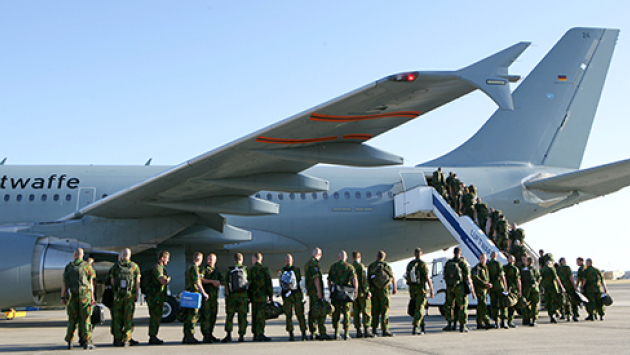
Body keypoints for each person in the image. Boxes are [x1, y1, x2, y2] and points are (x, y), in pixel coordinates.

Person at [61, 247, 96, 350]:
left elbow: (64, 283)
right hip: (84, 296)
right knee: (85, 319)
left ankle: (70, 341)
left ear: (74, 255)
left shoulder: (68, 267)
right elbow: (90, 283)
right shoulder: (87, 266)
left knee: (72, 319)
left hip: (72, 296)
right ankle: (86, 341)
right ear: (82, 255)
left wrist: (62, 297)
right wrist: (92, 297)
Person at [108, 248, 141, 347]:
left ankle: (117, 339)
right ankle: (127, 339)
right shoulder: (134, 266)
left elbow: (112, 281)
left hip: (117, 296)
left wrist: (116, 291)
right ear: (130, 255)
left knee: (117, 317)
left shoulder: (116, 266)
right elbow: (138, 282)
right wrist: (136, 294)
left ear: (122, 256)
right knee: (128, 317)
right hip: (129, 295)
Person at [442, 247, 474, 333]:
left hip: (450, 287)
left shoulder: (449, 262)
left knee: (450, 306)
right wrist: (470, 286)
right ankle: (462, 326)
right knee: (462, 306)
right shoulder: (462, 263)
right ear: (460, 253)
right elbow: (467, 276)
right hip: (460, 288)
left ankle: (449, 324)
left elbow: (445, 275)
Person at [327, 250, 358, 340]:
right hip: (346, 294)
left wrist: (330, 291)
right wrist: (355, 291)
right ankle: (346, 333)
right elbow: (354, 280)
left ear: (339, 257)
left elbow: (329, 280)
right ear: (346, 257)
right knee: (346, 313)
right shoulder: (350, 267)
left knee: (335, 313)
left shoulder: (333, 267)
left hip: (336, 293)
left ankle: (336, 333)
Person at [368, 250, 397, 336]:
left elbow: (368, 279)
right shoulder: (386, 265)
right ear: (383, 257)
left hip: (374, 292)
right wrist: (394, 288)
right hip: (384, 292)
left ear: (377, 256)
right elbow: (392, 277)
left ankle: (374, 329)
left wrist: (369, 290)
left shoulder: (371, 266)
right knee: (384, 311)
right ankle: (385, 330)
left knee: (375, 311)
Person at [406, 248, 434, 334]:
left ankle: (422, 327)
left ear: (414, 254)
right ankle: (416, 327)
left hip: (412, 290)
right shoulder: (422, 264)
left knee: (418, 308)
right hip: (420, 290)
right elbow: (427, 277)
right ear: (421, 254)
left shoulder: (410, 264)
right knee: (419, 309)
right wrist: (431, 289)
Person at [305, 248, 331, 340]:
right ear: (319, 254)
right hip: (316, 292)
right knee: (320, 311)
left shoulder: (307, 264)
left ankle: (313, 332)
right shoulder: (314, 264)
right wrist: (319, 292)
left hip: (311, 292)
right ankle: (322, 332)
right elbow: (316, 278)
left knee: (312, 312)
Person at [280, 253, 307, 341]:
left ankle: (291, 334)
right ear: (292, 261)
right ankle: (303, 333)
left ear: (284, 261)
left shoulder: (282, 271)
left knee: (288, 316)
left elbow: (281, 283)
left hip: (287, 296)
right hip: (296, 295)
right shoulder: (296, 270)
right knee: (300, 315)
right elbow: (298, 281)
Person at [182, 252, 208, 344]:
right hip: (194, 295)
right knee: (193, 316)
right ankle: (190, 336)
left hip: (188, 294)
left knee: (188, 316)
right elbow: (197, 282)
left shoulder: (189, 268)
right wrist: (204, 293)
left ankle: (186, 336)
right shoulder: (195, 268)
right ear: (199, 259)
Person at [146, 250, 171, 345]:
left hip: (157, 297)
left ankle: (153, 335)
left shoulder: (160, 268)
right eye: (167, 259)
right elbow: (162, 281)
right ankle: (152, 337)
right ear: (162, 258)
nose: (167, 261)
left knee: (156, 317)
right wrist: (168, 279)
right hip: (155, 297)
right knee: (155, 317)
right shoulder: (158, 268)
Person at [223, 253, 248, 343]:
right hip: (243, 296)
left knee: (230, 316)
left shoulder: (230, 270)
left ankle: (228, 335)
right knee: (242, 316)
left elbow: (226, 284)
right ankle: (241, 336)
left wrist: (226, 295)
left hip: (232, 297)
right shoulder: (245, 270)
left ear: (234, 260)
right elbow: (248, 283)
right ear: (241, 259)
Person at [249, 252, 273, 342]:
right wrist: (270, 295)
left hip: (254, 296)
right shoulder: (265, 269)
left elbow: (249, 284)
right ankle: (260, 333)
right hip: (262, 296)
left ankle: (255, 333)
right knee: (261, 316)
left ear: (255, 259)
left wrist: (249, 296)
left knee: (254, 315)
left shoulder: (251, 270)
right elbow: (268, 283)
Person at [200, 253, 222, 343]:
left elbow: (222, 280)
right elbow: (200, 279)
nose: (210, 260)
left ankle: (210, 334)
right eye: (208, 259)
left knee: (213, 316)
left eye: (211, 259)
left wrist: (219, 282)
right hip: (207, 298)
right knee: (206, 317)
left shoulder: (217, 270)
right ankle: (206, 336)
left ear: (215, 261)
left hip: (214, 298)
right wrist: (212, 281)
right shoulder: (204, 269)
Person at [351, 251, 372, 338]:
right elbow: (363, 280)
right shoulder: (361, 267)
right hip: (362, 293)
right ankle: (366, 330)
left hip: (353, 293)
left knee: (356, 312)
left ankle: (358, 330)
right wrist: (367, 291)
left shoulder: (350, 267)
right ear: (359, 257)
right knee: (365, 311)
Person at [471, 253, 492, 330]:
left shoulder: (486, 268)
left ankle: (479, 323)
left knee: (480, 306)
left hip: (485, 289)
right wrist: (485, 283)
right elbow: (475, 277)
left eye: (484, 258)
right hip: (480, 289)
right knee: (483, 305)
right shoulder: (477, 268)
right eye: (481, 258)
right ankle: (487, 322)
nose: (482, 259)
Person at [487, 251, 507, 329]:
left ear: (490, 256)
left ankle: (496, 322)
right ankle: (503, 321)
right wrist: (505, 287)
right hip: (499, 286)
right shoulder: (498, 264)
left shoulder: (488, 265)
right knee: (502, 305)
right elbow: (502, 276)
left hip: (492, 287)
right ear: (497, 256)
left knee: (494, 305)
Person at [520, 256, 541, 326]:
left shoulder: (523, 270)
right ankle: (534, 320)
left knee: (526, 304)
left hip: (526, 289)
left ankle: (526, 319)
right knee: (534, 304)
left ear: (527, 262)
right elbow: (539, 278)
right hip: (535, 289)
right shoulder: (535, 270)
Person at [557, 257, 579, 322]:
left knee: (565, 302)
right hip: (569, 287)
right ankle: (574, 315)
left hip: (562, 287)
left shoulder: (558, 269)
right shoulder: (567, 268)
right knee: (573, 301)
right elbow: (571, 277)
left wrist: (560, 287)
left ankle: (567, 315)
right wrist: (575, 286)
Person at [503, 255, 522, 328]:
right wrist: (520, 290)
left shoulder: (504, 268)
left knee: (504, 305)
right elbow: (518, 280)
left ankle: (503, 321)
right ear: (514, 261)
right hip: (513, 289)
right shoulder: (515, 269)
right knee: (512, 305)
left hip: (505, 289)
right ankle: (510, 321)